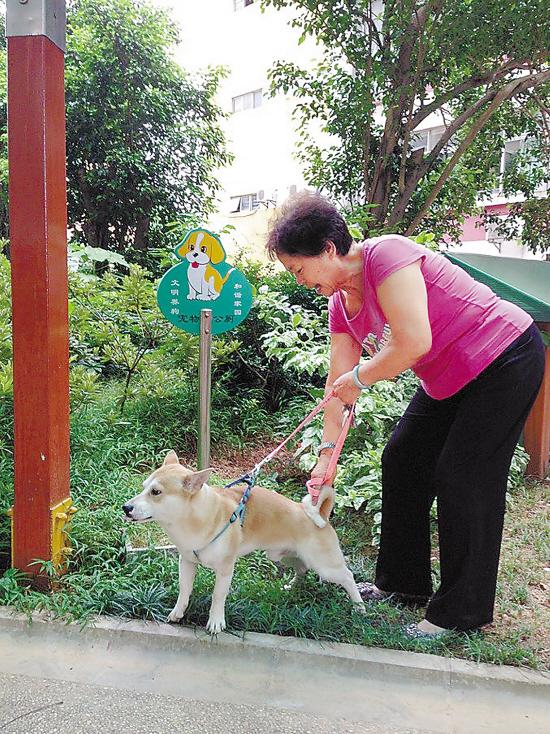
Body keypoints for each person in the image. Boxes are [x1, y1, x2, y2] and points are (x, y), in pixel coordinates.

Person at [265, 191, 545, 637]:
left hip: (504, 355)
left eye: (298, 268)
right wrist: (325, 459)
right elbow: (337, 389)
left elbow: (413, 343)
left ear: (328, 249)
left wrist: (359, 378)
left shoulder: (388, 256)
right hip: (449, 376)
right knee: (403, 460)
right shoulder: (341, 307)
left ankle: (459, 615)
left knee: (464, 475)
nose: (298, 280)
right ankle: (403, 586)